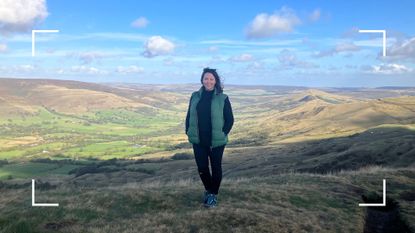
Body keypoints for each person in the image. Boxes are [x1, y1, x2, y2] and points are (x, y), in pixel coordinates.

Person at [185, 67, 234, 208]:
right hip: (199, 140)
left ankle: (213, 195)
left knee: (216, 168)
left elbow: (230, 119)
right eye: (206, 78)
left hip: (216, 141)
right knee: (202, 168)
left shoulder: (223, 98)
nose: (208, 81)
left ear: (215, 81)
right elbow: (189, 115)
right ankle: (208, 189)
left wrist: (223, 133)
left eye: (211, 79)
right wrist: (187, 130)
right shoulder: (195, 96)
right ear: (202, 80)